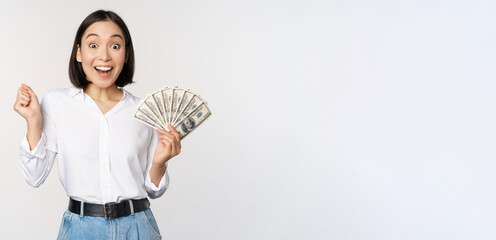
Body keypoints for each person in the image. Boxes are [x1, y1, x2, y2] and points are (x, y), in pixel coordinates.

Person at [13, 10, 181, 240]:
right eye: (93, 45)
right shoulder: (56, 103)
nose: (104, 56)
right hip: (81, 230)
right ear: (79, 53)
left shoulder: (143, 111)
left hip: (138, 227)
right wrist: (33, 121)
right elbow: (35, 177)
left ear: (126, 54)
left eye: (114, 46)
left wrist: (160, 163)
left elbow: (154, 190)